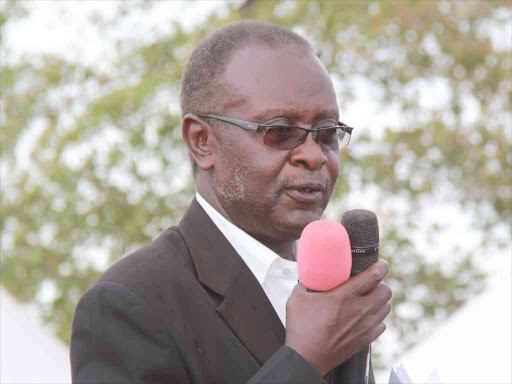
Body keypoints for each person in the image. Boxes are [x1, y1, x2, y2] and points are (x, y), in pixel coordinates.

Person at [70, 20, 392, 384]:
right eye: (280, 131)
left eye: (327, 132)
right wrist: (301, 361)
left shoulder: (330, 294)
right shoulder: (128, 305)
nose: (314, 156)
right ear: (202, 141)